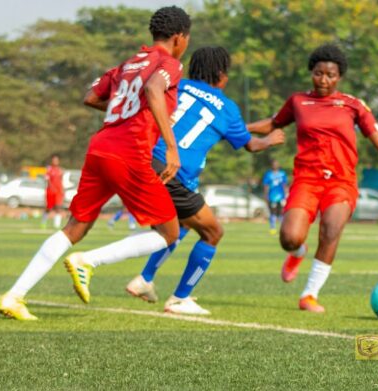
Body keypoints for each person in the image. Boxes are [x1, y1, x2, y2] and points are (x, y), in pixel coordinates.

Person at [0, 6, 191, 320]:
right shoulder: (169, 63)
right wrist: (171, 148)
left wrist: (123, 112)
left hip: (100, 148)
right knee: (169, 232)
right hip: (131, 151)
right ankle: (88, 261)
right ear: (180, 37)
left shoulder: (127, 64)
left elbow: (90, 96)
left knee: (75, 227)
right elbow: (155, 88)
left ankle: (14, 296)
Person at [74, 46, 285, 315]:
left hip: (141, 157)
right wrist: (271, 139)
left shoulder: (176, 85)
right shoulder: (228, 109)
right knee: (212, 232)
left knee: (180, 224)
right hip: (174, 174)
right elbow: (250, 144)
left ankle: (144, 279)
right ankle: (179, 298)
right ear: (220, 74)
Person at [247, 44, 378, 313]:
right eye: (318, 73)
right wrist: (238, 130)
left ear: (339, 77)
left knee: (331, 230)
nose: (324, 80)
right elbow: (273, 123)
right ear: (311, 73)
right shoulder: (298, 102)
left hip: (341, 182)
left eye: (330, 75)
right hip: (306, 180)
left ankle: (309, 295)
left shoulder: (352, 105)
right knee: (289, 238)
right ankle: (297, 254)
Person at [262, 160, 288, 235]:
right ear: (271, 165)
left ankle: (282, 228)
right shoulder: (268, 174)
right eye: (274, 164)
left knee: (281, 212)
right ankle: (272, 228)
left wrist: (286, 194)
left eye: (276, 164)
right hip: (272, 196)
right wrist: (265, 195)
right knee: (272, 211)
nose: (275, 165)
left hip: (281, 196)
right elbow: (266, 185)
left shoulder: (282, 174)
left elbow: (285, 185)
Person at [41, 154, 64, 229]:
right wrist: (51, 187)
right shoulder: (49, 169)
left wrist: (62, 189)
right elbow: (47, 179)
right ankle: (43, 222)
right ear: (52, 161)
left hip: (58, 192)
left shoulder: (60, 170)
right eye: (54, 160)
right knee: (48, 208)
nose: (55, 161)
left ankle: (56, 225)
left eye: (57, 160)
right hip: (50, 192)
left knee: (58, 207)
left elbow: (61, 181)